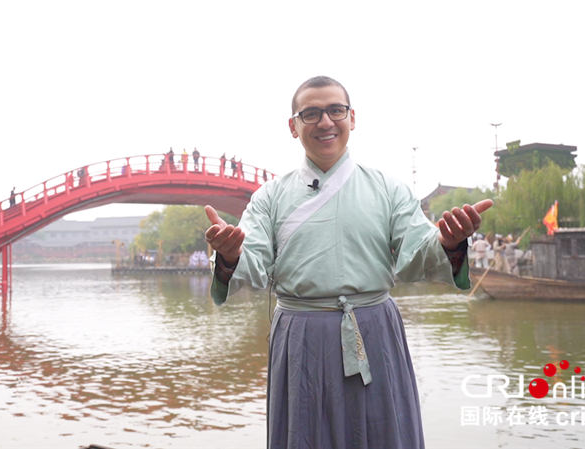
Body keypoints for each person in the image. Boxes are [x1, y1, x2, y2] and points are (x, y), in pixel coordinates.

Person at [204, 76, 492, 449]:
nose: (325, 122)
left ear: (352, 118)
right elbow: (254, 261)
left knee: (381, 432)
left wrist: (448, 243)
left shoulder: (388, 189)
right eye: (311, 113)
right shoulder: (269, 197)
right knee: (305, 434)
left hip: (373, 329)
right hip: (300, 335)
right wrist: (231, 255)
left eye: (335, 110)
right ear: (294, 126)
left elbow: (417, 252)